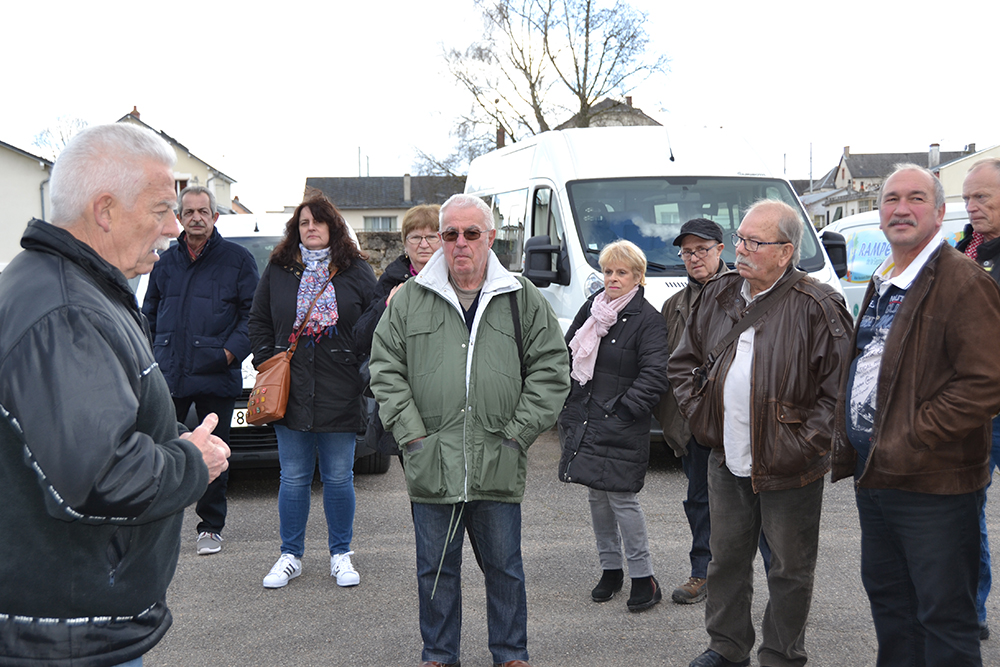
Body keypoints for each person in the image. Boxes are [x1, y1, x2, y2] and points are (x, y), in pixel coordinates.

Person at [0, 123, 229, 667]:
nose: (175, 227)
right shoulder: (68, 313)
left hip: (71, 624)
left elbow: (86, 429)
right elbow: (100, 478)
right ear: (105, 210)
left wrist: (166, 436)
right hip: (67, 637)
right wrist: (190, 461)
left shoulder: (74, 291)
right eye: (160, 210)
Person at [369, 194, 570, 667]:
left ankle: (511, 655)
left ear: (491, 237)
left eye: (471, 233)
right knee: (435, 572)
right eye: (450, 234)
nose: (460, 243)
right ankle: (439, 655)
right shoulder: (409, 301)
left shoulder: (522, 298)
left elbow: (551, 369)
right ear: (439, 239)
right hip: (431, 461)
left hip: (497, 458)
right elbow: (385, 369)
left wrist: (518, 433)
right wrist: (412, 436)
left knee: (504, 569)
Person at [668, 199, 853, 667]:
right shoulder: (720, 293)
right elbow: (684, 361)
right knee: (725, 561)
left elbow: (838, 395)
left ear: (786, 251)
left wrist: (800, 446)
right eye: (740, 239)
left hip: (789, 467)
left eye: (755, 241)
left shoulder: (819, 304)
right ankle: (727, 648)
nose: (741, 249)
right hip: (726, 458)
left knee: (789, 570)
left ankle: (781, 654)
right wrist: (703, 418)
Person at [832, 164, 1000, 666]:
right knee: (892, 607)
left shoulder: (963, 281)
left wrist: (911, 435)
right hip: (878, 477)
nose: (901, 208)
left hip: (934, 484)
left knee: (944, 619)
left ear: (940, 213)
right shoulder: (888, 276)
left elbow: (986, 380)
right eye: (890, 199)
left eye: (916, 199)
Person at [249, 193, 376, 589]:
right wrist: (266, 361)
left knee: (339, 477)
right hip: (291, 387)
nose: (311, 228)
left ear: (332, 227)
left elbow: (375, 321)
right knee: (294, 477)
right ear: (296, 229)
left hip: (340, 386)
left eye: (318, 222)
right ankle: (291, 555)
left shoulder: (355, 270)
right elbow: (259, 319)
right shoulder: (279, 268)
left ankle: (341, 554)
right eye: (304, 222)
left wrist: (360, 366)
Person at [142, 185, 259, 556]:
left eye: (202, 212)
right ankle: (161, 525)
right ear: (180, 216)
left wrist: (228, 354)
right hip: (169, 373)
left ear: (214, 217)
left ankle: (210, 527)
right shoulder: (165, 261)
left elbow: (252, 317)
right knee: (162, 450)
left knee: (214, 451)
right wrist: (149, 353)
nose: (195, 218)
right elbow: (148, 313)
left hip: (214, 371)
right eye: (188, 212)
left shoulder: (237, 260)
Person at [557, 240, 669, 611]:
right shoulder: (593, 308)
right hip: (588, 418)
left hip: (621, 423)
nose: (613, 278)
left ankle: (643, 576)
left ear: (638, 276)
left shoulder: (649, 320)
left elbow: (656, 374)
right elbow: (567, 352)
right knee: (596, 496)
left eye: (622, 272)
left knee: (622, 498)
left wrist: (623, 411)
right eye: (608, 271)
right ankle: (611, 569)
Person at [959, 157, 1000, 641]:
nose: (972, 207)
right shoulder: (962, 249)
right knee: (967, 515)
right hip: (972, 412)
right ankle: (971, 610)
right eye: (968, 198)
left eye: (982, 197)